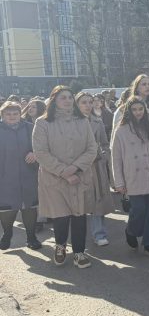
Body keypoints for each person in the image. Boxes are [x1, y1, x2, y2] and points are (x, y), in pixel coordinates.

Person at [32, 86, 98, 269]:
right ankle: (60, 246)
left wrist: (75, 168)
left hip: (80, 176)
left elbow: (92, 148)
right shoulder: (42, 123)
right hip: (54, 178)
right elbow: (41, 152)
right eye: (63, 97)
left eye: (70, 97)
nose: (68, 100)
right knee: (60, 216)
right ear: (54, 100)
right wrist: (64, 172)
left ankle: (79, 252)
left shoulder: (83, 121)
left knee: (79, 216)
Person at [111, 96, 149, 258]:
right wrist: (119, 182)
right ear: (128, 111)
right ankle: (131, 230)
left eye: (141, 109)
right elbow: (116, 159)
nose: (138, 112)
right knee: (139, 210)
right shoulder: (121, 131)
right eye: (134, 109)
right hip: (132, 176)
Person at [0, 101, 41, 251]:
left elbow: (41, 146)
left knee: (29, 207)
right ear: (2, 115)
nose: (12, 116)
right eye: (8, 114)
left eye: (15, 113)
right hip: (5, 177)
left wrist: (35, 153)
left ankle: (31, 237)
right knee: (7, 209)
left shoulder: (30, 128)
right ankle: (7, 233)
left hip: (28, 174)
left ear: (20, 114)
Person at [75, 92, 114, 247]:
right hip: (77, 167)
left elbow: (105, 144)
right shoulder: (70, 122)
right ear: (77, 104)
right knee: (79, 201)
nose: (88, 105)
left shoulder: (97, 121)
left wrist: (103, 156)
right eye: (83, 102)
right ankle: (77, 237)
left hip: (96, 166)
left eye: (90, 102)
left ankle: (99, 233)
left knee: (98, 199)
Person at [113, 74, 149, 138]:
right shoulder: (124, 108)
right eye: (144, 84)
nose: (147, 87)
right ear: (137, 87)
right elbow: (116, 132)